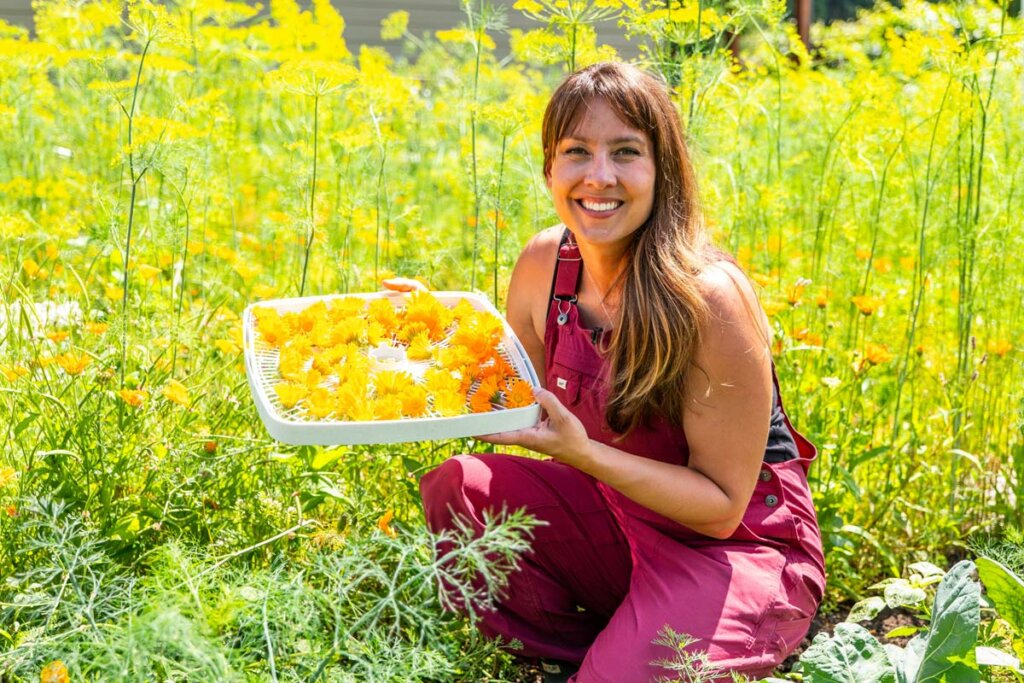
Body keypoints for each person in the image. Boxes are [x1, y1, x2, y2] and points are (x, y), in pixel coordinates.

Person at [389, 62, 824, 683]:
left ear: (661, 171)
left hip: (733, 548)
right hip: (616, 515)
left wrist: (584, 454)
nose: (600, 177)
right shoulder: (546, 264)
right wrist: (432, 334)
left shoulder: (709, 297)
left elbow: (723, 508)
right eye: (576, 152)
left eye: (626, 152)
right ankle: (592, 652)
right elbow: (515, 403)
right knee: (461, 487)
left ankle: (646, 652)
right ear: (548, 169)